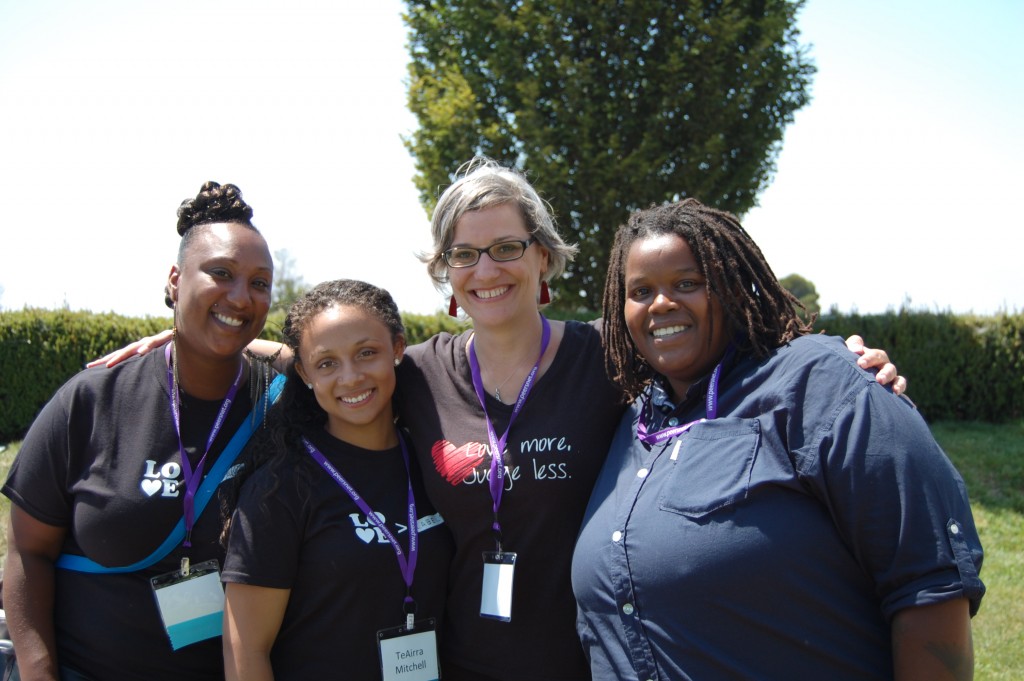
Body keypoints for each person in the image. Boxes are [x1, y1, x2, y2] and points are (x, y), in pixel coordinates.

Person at [90, 158, 905, 681]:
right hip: (466, 664)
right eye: (465, 254)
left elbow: (715, 350)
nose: (488, 270)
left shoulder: (609, 358)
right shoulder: (420, 374)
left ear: (544, 256)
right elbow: (335, 363)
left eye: (507, 247)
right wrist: (205, 334)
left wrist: (844, 362)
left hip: (593, 662)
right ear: (444, 274)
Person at [571, 198, 984, 680]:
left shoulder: (824, 386)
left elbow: (929, 586)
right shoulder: (628, 416)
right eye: (641, 290)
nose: (662, 303)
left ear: (729, 286)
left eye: (688, 283)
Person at [3, 181, 278, 681]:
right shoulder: (92, 399)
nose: (241, 296)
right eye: (220, 273)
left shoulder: (281, 403)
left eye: (260, 283)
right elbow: (27, 550)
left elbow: (339, 363)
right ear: (175, 280)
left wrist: (242, 344)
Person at [220, 279, 453, 681]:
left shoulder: (430, 460)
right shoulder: (280, 488)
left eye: (366, 353)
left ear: (397, 349)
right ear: (305, 374)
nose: (351, 377)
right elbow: (246, 652)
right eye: (327, 363)